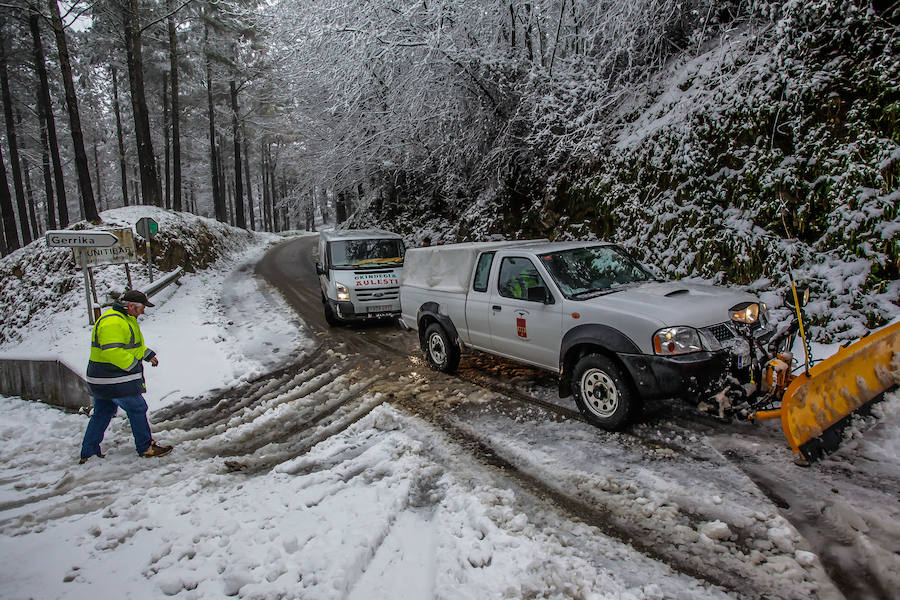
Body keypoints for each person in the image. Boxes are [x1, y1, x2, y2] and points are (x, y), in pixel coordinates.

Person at [79, 290, 173, 463]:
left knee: (104, 411)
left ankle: (89, 451)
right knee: (137, 407)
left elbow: (130, 345)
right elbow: (112, 351)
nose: (143, 311)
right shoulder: (113, 322)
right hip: (112, 378)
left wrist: (146, 355)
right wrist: (132, 365)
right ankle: (145, 447)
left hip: (105, 378)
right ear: (130, 306)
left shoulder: (125, 319)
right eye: (141, 308)